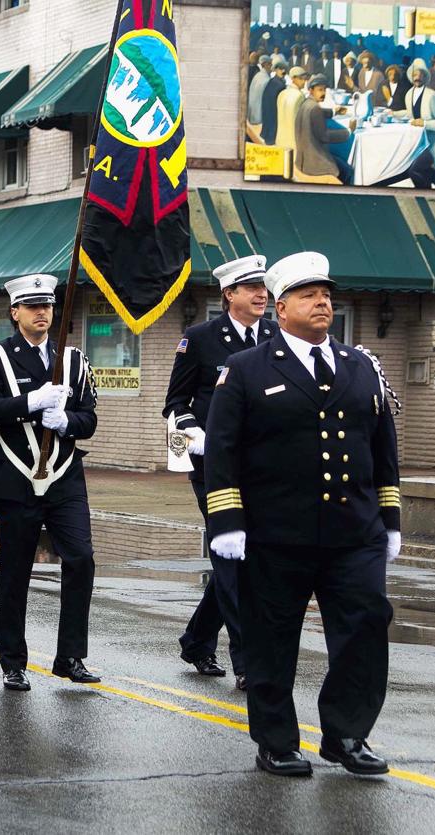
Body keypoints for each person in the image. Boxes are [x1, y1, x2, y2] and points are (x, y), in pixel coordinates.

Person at [205, 251, 401, 779]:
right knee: (272, 639)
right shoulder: (246, 370)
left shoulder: (361, 366)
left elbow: (383, 446)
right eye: (310, 295)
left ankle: (345, 734)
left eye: (327, 295)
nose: (323, 303)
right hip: (275, 534)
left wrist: (391, 519)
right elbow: (223, 449)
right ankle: (276, 740)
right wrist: (226, 521)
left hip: (352, 532)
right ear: (282, 307)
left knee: (364, 627)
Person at [0, 274, 101, 692]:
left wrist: (67, 421)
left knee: (80, 559)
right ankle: (13, 661)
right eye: (32, 306)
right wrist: (31, 403)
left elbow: (89, 418)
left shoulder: (74, 359)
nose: (42, 312)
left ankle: (70, 656)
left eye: (47, 305)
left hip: (64, 478)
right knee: (15, 573)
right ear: (15, 313)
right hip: (16, 478)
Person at [163, 256, 275, 691]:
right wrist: (197, 437)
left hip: (262, 468)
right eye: (251, 288)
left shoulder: (274, 336)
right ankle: (246, 659)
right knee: (230, 557)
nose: (261, 294)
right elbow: (175, 404)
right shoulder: (202, 339)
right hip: (214, 468)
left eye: (263, 287)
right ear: (229, 294)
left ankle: (196, 640)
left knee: (247, 556)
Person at [391, 62, 435, 189]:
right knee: (408, 165)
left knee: (413, 170)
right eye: (415, 74)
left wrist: (425, 123)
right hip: (416, 143)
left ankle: (427, 193)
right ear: (411, 76)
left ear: (425, 77)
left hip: (431, 145)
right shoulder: (409, 93)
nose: (417, 77)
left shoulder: (431, 95)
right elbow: (410, 113)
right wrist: (394, 113)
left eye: (421, 75)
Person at [295, 75, 354, 183]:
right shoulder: (315, 108)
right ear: (311, 90)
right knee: (349, 171)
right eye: (320, 90)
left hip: (302, 159)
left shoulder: (306, 103)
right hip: (313, 162)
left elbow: (318, 113)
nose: (323, 93)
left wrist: (334, 111)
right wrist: (349, 131)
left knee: (336, 156)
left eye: (325, 90)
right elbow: (325, 136)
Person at [275, 67, 308, 157]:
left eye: (305, 79)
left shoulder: (282, 93)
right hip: (293, 144)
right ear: (293, 78)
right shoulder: (300, 96)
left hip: (280, 141)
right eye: (301, 79)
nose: (304, 82)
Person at [260, 56, 290, 145]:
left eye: (284, 69)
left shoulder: (273, 81)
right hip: (273, 114)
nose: (283, 71)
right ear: (276, 70)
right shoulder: (279, 85)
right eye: (280, 69)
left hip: (269, 113)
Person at [247, 54, 273, 136]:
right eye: (270, 64)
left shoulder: (257, 76)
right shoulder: (265, 79)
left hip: (252, 117)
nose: (271, 67)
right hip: (259, 119)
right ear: (265, 65)